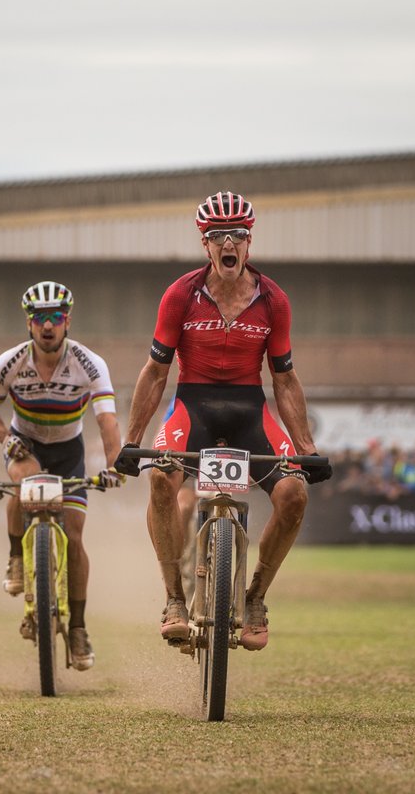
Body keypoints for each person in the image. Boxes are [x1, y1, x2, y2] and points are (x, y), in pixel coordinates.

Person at [114, 191, 332, 651]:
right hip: (193, 406)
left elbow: (285, 380)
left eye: (237, 235)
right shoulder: (180, 295)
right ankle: (174, 597)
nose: (227, 243)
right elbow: (156, 372)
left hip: (249, 409)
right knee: (159, 482)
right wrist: (131, 441)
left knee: (294, 494)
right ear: (205, 244)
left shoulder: (273, 301)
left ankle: (254, 599)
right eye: (217, 236)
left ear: (248, 244)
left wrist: (307, 448)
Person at [0, 281, 122, 671]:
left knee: (74, 537)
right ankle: (15, 558)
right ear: (28, 323)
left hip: (69, 452)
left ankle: (77, 628)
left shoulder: (89, 363)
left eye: (55, 317)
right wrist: (7, 440)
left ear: (67, 321)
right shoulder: (8, 364)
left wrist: (113, 466)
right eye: (39, 318)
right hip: (27, 445)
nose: (47, 325)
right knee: (25, 483)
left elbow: (107, 422)